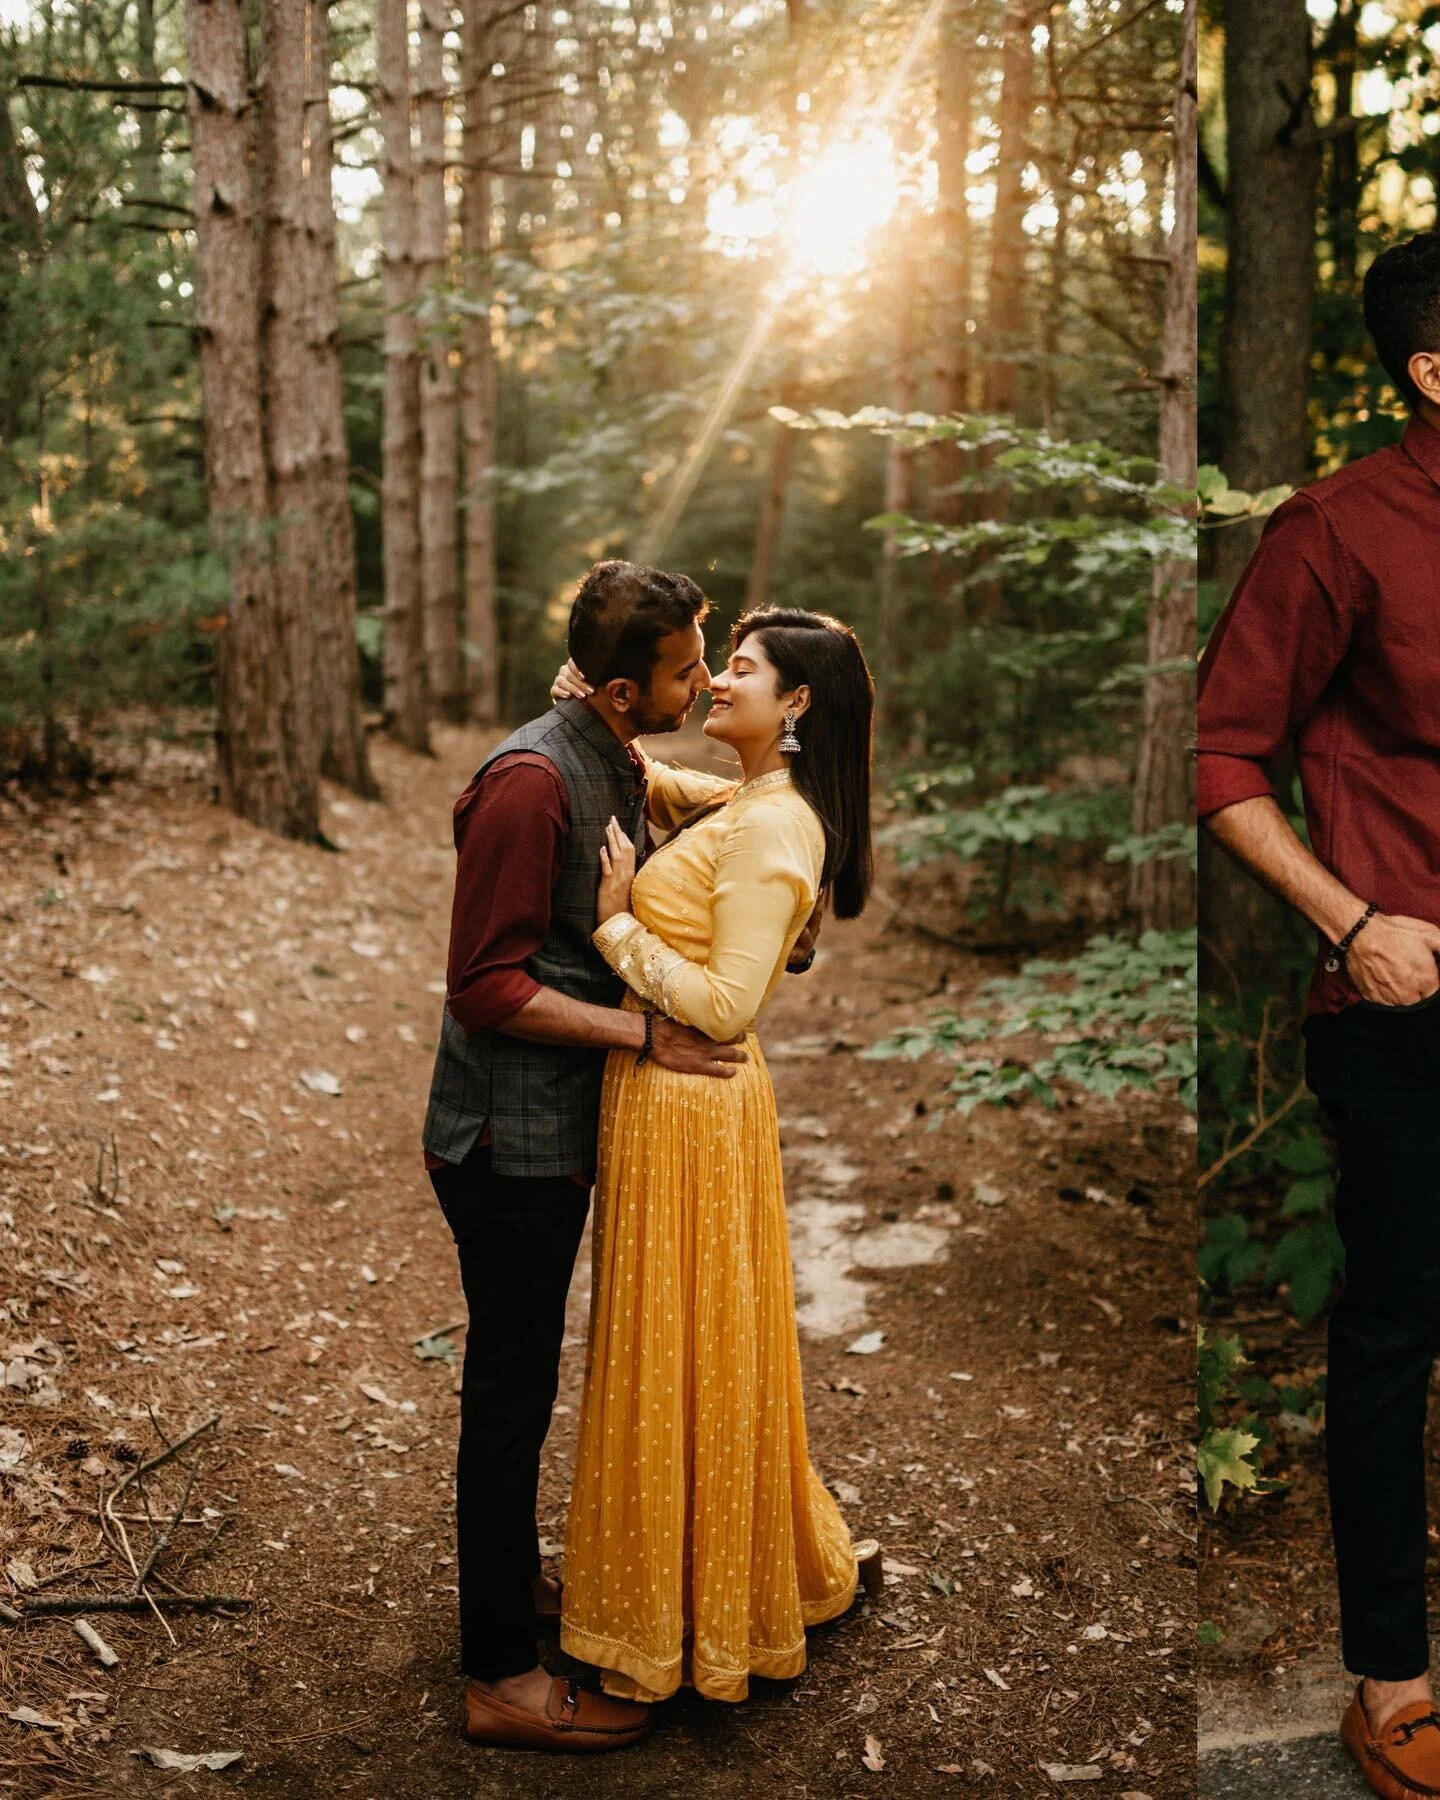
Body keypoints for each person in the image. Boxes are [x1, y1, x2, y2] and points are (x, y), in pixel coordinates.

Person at [422, 560, 822, 1754]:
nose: (702, 682)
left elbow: (707, 802)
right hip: (506, 1139)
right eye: (685, 667)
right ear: (613, 688)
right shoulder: (529, 785)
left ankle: (517, 1588)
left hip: (569, 1125)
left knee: (532, 1381)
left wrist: (775, 883)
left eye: (714, 662)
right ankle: (498, 1671)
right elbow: (485, 986)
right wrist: (645, 1030)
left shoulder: (615, 751)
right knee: (509, 1393)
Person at [1197, 230, 1440, 1800]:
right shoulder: (1339, 525)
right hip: (1408, 998)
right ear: (1434, 367)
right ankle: (1395, 1678)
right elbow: (1225, 759)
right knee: (1399, 1330)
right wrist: (1355, 921)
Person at [548, 606, 878, 1706]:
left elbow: (730, 1007)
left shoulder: (778, 831)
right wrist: (608, 726)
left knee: (680, 1345)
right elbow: (693, 803)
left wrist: (616, 928)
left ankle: (688, 1616)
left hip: (695, 1100)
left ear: (797, 705)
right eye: (714, 665)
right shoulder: (757, 802)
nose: (716, 682)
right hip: (669, 1109)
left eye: (739, 669)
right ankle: (679, 1580)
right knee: (675, 1343)